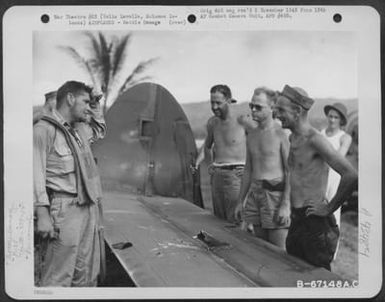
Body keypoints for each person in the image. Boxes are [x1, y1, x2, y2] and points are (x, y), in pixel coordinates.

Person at [274, 85, 357, 271]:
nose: (276, 113)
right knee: (295, 272)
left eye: (281, 110)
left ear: (296, 111)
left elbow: (350, 175)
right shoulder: (293, 138)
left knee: (319, 277)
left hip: (314, 223)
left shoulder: (315, 140)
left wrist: (328, 208)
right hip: (297, 220)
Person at [34, 81, 106, 286]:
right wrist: (42, 215)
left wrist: (96, 103)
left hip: (87, 206)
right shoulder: (43, 130)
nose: (88, 107)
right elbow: (35, 175)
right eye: (85, 102)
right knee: (59, 275)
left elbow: (99, 129)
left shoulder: (79, 130)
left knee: (85, 275)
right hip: (64, 210)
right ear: (70, 99)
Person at [235, 87, 290, 249]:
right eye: (251, 105)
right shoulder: (252, 134)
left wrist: (286, 204)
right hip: (255, 195)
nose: (253, 110)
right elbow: (248, 170)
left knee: (278, 253)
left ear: (272, 107)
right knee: (260, 249)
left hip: (275, 196)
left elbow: (290, 171)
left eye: (258, 107)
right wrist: (240, 201)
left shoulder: (281, 134)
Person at [193, 84, 249, 223]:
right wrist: (210, 165)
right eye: (212, 102)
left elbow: (258, 145)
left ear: (229, 101)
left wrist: (249, 171)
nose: (214, 107)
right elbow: (207, 146)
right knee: (219, 221)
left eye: (218, 103)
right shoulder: (212, 123)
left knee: (236, 221)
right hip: (217, 176)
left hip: (237, 175)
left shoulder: (242, 120)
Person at [321, 102, 352, 227]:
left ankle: (332, 245)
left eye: (336, 117)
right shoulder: (321, 133)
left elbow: (337, 159)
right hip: (319, 176)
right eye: (330, 116)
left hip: (334, 178)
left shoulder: (344, 137)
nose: (332, 120)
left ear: (341, 120)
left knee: (332, 213)